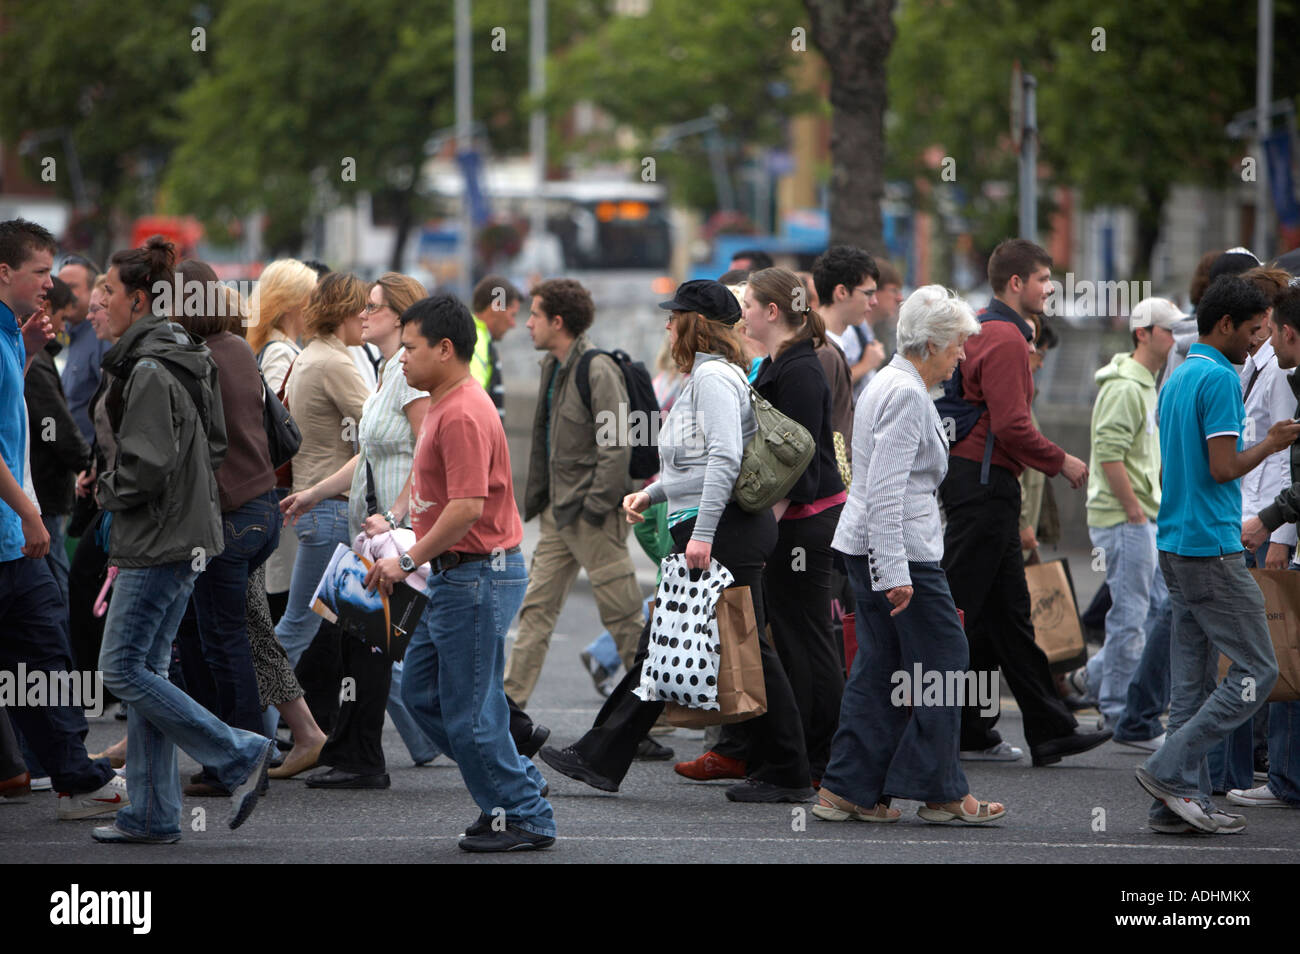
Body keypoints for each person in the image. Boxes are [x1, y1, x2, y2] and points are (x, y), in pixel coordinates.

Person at [539, 279, 815, 803]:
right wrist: (656, 492)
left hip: (722, 531)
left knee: (731, 648)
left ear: (695, 324)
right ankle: (603, 755)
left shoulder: (712, 379)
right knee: (677, 644)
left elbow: (726, 461)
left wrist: (703, 534)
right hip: (720, 526)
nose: (666, 324)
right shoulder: (710, 377)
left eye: (674, 315)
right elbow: (699, 461)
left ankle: (788, 771)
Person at [94, 235, 276, 844]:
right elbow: (215, 446)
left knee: (121, 668)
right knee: (148, 670)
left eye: (106, 293)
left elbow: (145, 467)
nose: (97, 304)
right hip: (190, 534)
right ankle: (149, 815)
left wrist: (101, 491)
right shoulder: (190, 352)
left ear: (139, 299)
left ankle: (236, 750)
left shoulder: (148, 367)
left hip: (158, 540)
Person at [367, 291, 556, 852]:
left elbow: (468, 507)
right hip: (456, 575)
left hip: (476, 576)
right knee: (425, 696)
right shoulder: (445, 403)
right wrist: (397, 521)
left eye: (411, 348)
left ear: (445, 349)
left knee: (470, 711)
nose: (401, 358)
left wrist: (405, 560)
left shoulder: (464, 412)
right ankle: (513, 789)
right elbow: (438, 494)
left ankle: (524, 813)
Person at [815, 285, 1005, 825]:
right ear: (932, 343)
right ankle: (940, 791)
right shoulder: (904, 393)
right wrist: (895, 572)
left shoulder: (888, 383)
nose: (962, 356)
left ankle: (848, 789)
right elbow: (889, 489)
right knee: (944, 662)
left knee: (881, 668)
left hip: (872, 545)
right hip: (901, 553)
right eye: (957, 346)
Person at [1135, 274, 1298, 835]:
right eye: (1254, 331)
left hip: (1174, 543)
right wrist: (1272, 443)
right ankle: (1166, 768)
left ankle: (1173, 804)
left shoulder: (1179, 375)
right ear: (1225, 325)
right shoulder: (1221, 380)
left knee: (1191, 686)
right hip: (1212, 548)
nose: (1259, 343)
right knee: (1258, 668)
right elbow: (1224, 467)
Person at [940, 238, 1109, 766]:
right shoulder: (1009, 338)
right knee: (954, 615)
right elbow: (1013, 426)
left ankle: (1027, 728)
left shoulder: (979, 329)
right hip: (987, 488)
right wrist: (1063, 461)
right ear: (1017, 284)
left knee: (1006, 618)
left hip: (978, 484)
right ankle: (917, 721)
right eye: (1043, 278)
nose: (1051, 287)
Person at [282, 272, 439, 786]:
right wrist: (315, 492)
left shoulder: (409, 374)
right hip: (370, 535)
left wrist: (395, 515)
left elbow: (426, 452)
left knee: (380, 651)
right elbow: (369, 454)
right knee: (360, 647)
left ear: (400, 315)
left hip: (399, 536)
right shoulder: (389, 369)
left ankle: (361, 758)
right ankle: (352, 752)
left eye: (374, 307)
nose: (363, 313)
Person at [701, 266, 844, 784]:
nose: (741, 314)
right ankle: (795, 755)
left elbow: (800, 464)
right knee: (791, 636)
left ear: (772, 312)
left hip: (804, 522)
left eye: (748, 305)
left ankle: (820, 757)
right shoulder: (779, 362)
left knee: (805, 640)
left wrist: (765, 529)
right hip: (791, 520)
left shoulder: (801, 369)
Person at [0, 218, 123, 822]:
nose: (49, 286)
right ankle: (75, 777)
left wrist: (23, 352)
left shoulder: (8, 336)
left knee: (43, 659)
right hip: (13, 533)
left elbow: (7, 412)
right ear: (4, 272)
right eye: (40, 273)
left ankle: (73, 777)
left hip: (12, 539)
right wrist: (29, 515)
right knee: (44, 655)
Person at [504, 279, 648, 735]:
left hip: (591, 516)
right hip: (557, 516)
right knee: (536, 610)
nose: (527, 323)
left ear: (558, 322)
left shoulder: (597, 369)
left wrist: (593, 507)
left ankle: (650, 716)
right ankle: (510, 705)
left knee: (623, 615)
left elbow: (617, 444)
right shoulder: (553, 365)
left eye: (535, 315)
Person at [164, 259, 283, 797]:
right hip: (263, 509)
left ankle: (242, 758)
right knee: (207, 634)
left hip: (228, 517)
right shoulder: (237, 348)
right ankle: (229, 751)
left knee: (220, 640)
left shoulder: (195, 359)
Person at [1064, 299, 1179, 739]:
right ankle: (1115, 709)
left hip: (1139, 516)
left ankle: (1095, 682)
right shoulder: (1127, 386)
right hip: (1126, 518)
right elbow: (1109, 454)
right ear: (1143, 333)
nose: (1174, 340)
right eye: (1168, 331)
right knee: (1131, 615)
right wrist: (1133, 511)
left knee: (1153, 610)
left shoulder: (1145, 383)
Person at [273, 272, 371, 672]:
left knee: (373, 635)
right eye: (362, 307)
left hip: (319, 509)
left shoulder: (310, 355)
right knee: (296, 630)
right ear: (344, 311)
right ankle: (245, 728)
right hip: (332, 510)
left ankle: (277, 729)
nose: (367, 316)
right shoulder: (334, 362)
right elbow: (381, 430)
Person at [1234, 282, 1300, 812]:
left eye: (1271, 330)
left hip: (1275, 528)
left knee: (1285, 654)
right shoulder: (1279, 368)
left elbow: (1284, 459)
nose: (1267, 340)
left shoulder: (1282, 373)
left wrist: (1276, 530)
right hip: (1268, 520)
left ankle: (1286, 776)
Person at [247, 258, 319, 626]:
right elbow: (273, 424)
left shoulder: (270, 347)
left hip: (272, 489)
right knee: (282, 601)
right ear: (294, 303)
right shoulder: (280, 352)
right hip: (280, 489)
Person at [24, 274, 92, 604]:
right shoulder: (36, 362)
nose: (64, 328)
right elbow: (54, 426)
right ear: (47, 308)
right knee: (55, 593)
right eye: (63, 318)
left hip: (43, 493)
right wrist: (87, 463)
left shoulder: (39, 357)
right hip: (44, 496)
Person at [813, 246, 885, 395]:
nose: (874, 302)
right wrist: (866, 365)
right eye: (868, 293)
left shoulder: (826, 340)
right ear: (841, 292)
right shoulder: (817, 346)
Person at [57, 253, 108, 446]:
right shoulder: (71, 333)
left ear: (93, 291)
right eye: (60, 287)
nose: (63, 295)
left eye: (72, 288)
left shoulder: (101, 336)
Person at [469, 274, 523, 421]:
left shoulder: (474, 335)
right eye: (512, 315)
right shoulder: (476, 341)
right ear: (497, 306)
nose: (513, 324)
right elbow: (469, 401)